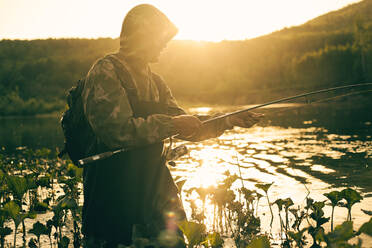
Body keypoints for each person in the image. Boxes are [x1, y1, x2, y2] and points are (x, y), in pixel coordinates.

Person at [80, 4, 263, 247]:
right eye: (161, 38)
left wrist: (228, 120)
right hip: (113, 197)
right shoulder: (105, 70)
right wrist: (171, 123)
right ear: (143, 36)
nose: (165, 45)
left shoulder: (156, 82)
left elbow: (186, 126)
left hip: (155, 191)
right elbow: (116, 131)